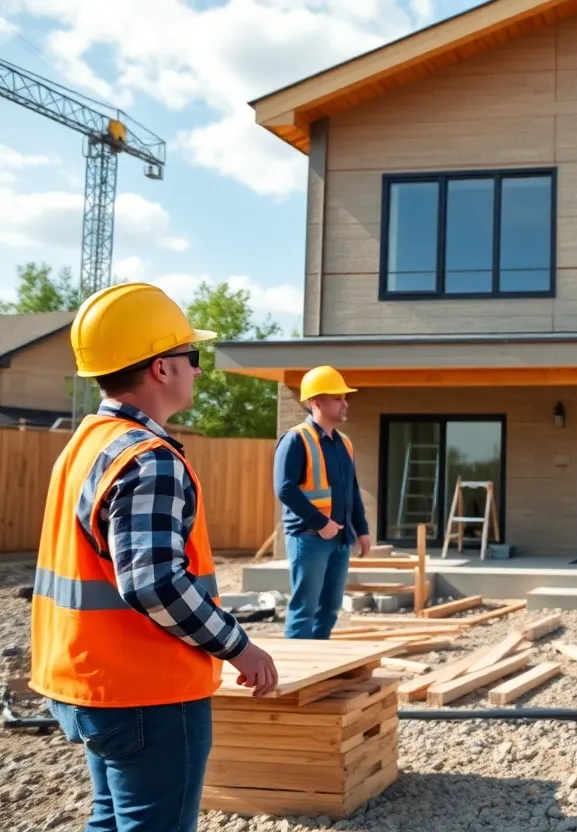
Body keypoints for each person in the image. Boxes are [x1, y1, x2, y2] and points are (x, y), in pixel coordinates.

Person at [29, 282, 279, 832]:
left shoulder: (87, 443)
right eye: (192, 356)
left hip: (88, 681)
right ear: (162, 369)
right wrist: (240, 647)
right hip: (146, 691)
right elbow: (152, 583)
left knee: (111, 819)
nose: (197, 368)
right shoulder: (150, 459)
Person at [274, 365, 371, 639]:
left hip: (340, 539)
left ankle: (319, 668)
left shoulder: (344, 443)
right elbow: (285, 489)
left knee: (329, 609)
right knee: (305, 608)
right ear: (317, 402)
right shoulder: (295, 439)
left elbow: (352, 491)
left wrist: (361, 530)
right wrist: (321, 523)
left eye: (344, 397)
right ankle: (296, 673)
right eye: (338, 398)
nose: (345, 403)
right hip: (309, 538)